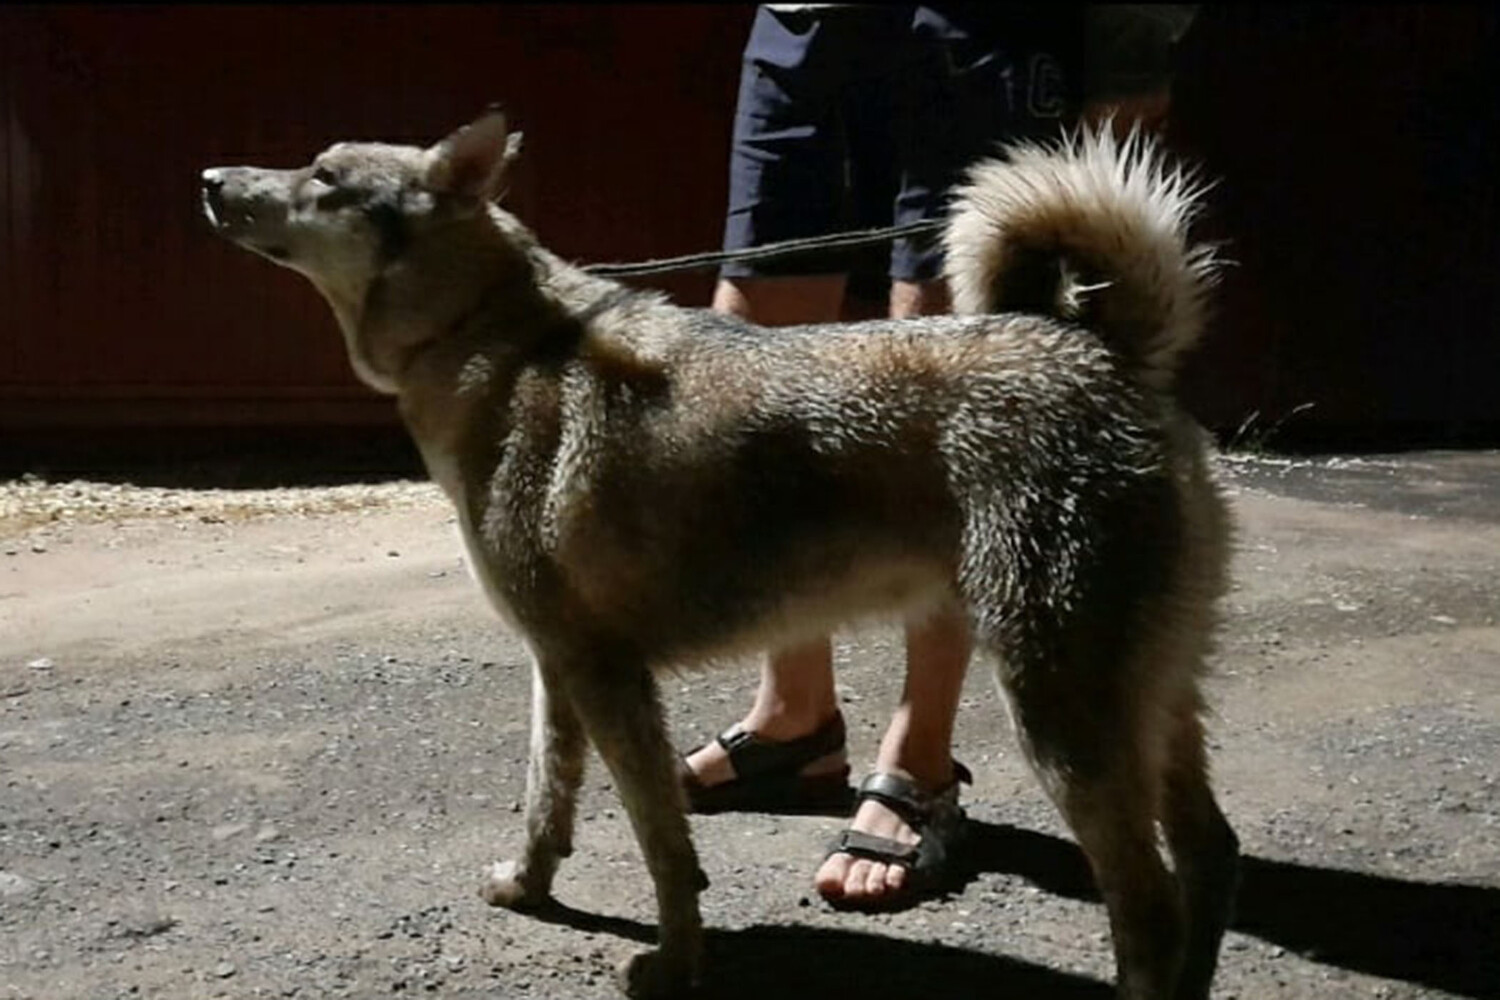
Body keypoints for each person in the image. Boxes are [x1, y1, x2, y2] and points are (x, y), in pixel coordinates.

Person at [680, 3, 1198, 911]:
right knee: (755, 353)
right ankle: (796, 720)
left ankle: (919, 758)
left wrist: (1130, 42)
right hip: (808, 18)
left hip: (981, 26)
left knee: (949, 376)